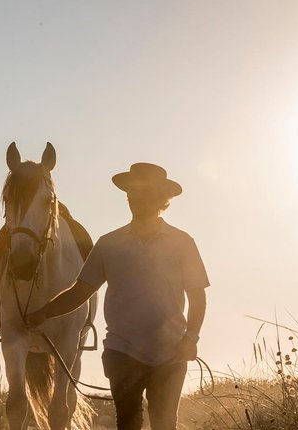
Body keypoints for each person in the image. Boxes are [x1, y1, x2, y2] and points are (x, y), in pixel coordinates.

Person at [26, 163, 209, 430]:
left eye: (145, 191)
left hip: (171, 352)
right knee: (127, 422)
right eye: (132, 192)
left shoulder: (182, 242)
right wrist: (44, 312)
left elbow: (197, 296)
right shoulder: (109, 243)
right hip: (122, 350)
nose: (137, 197)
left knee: (165, 423)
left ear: (161, 198)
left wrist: (191, 337)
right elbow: (81, 291)